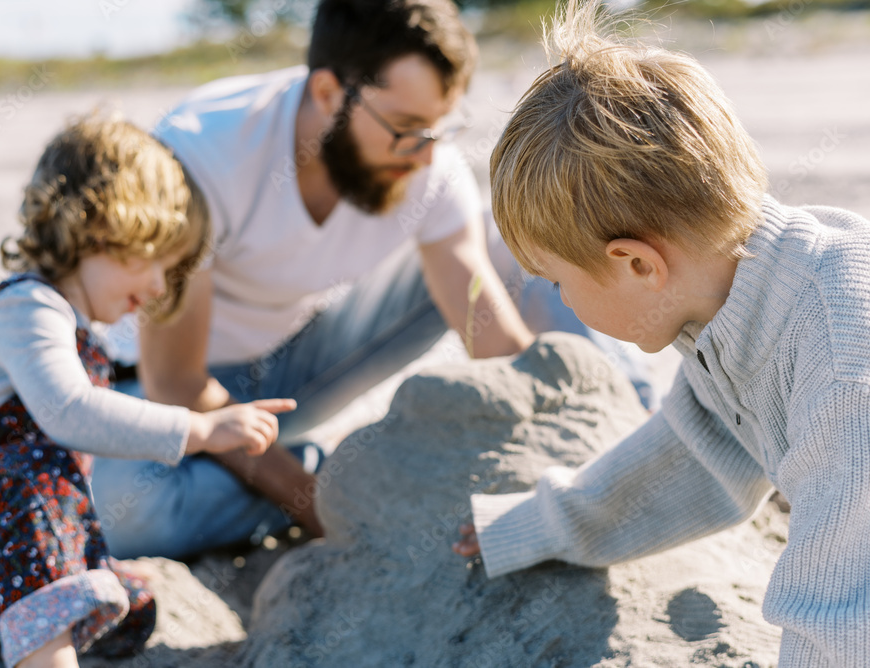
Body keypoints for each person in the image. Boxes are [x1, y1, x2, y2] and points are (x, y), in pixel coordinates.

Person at [91, 0, 658, 562]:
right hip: (162, 387)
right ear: (327, 94)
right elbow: (177, 384)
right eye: (407, 129)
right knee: (132, 518)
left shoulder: (426, 163)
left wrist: (539, 433)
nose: (424, 155)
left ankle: (633, 438)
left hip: (293, 366)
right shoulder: (201, 155)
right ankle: (333, 467)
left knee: (519, 248)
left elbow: (485, 326)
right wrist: (324, 504)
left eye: (440, 127)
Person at [452, 3, 870, 665]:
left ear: (636, 264)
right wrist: (537, 526)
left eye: (557, 282)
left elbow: (845, 612)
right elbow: (695, 454)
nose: (556, 299)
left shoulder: (842, 356)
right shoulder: (732, 297)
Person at [0, 115, 294, 668]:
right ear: (99, 226)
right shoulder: (26, 308)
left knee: (122, 597)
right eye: (154, 261)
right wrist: (200, 429)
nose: (156, 288)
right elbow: (70, 413)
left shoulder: (82, 336)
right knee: (34, 483)